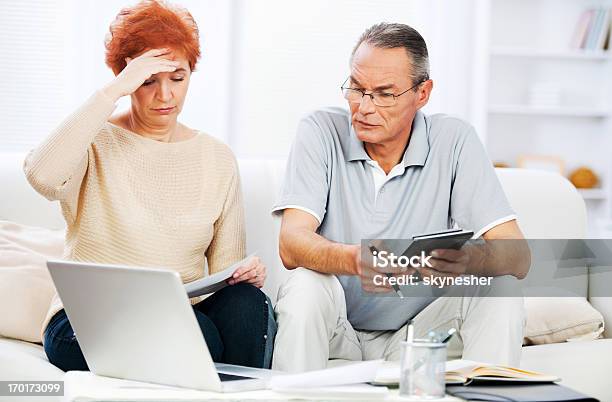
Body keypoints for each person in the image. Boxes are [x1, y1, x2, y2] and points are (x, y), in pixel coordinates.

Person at [24, 0, 276, 371]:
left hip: (182, 313)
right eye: (147, 81)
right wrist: (111, 93)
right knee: (195, 336)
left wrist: (242, 275)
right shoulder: (93, 142)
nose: (165, 96)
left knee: (246, 305)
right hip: (86, 320)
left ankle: (237, 393)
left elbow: (225, 273)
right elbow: (42, 176)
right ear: (125, 79)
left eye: (178, 77)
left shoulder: (217, 158)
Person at [271, 22, 531, 373]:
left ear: (422, 93)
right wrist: (357, 260)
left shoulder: (454, 140)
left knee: (500, 289)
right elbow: (291, 244)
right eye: (356, 88)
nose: (364, 106)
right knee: (304, 285)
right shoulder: (319, 131)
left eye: (384, 93)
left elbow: (517, 256)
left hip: (418, 334)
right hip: (338, 327)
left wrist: (459, 259)